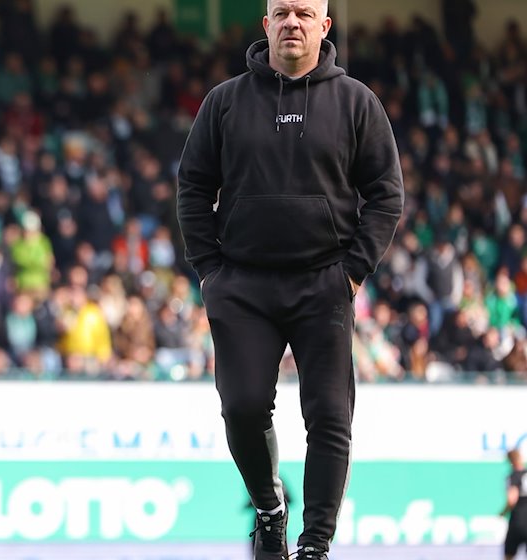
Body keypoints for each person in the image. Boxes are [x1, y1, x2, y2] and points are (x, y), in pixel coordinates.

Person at [175, 1, 403, 558]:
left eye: (304, 12)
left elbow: (386, 195)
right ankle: (270, 510)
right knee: (244, 407)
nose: (292, 22)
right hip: (243, 286)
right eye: (281, 12)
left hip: (324, 281)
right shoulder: (225, 101)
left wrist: (353, 273)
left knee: (330, 415)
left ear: (325, 26)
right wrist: (210, 270)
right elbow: (192, 187)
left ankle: (315, 546)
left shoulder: (357, 102)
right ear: (266, 24)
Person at [503, 449, 527, 560]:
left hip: (517, 522)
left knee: (509, 555)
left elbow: (512, 499)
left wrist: (502, 513)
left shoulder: (513, 476)